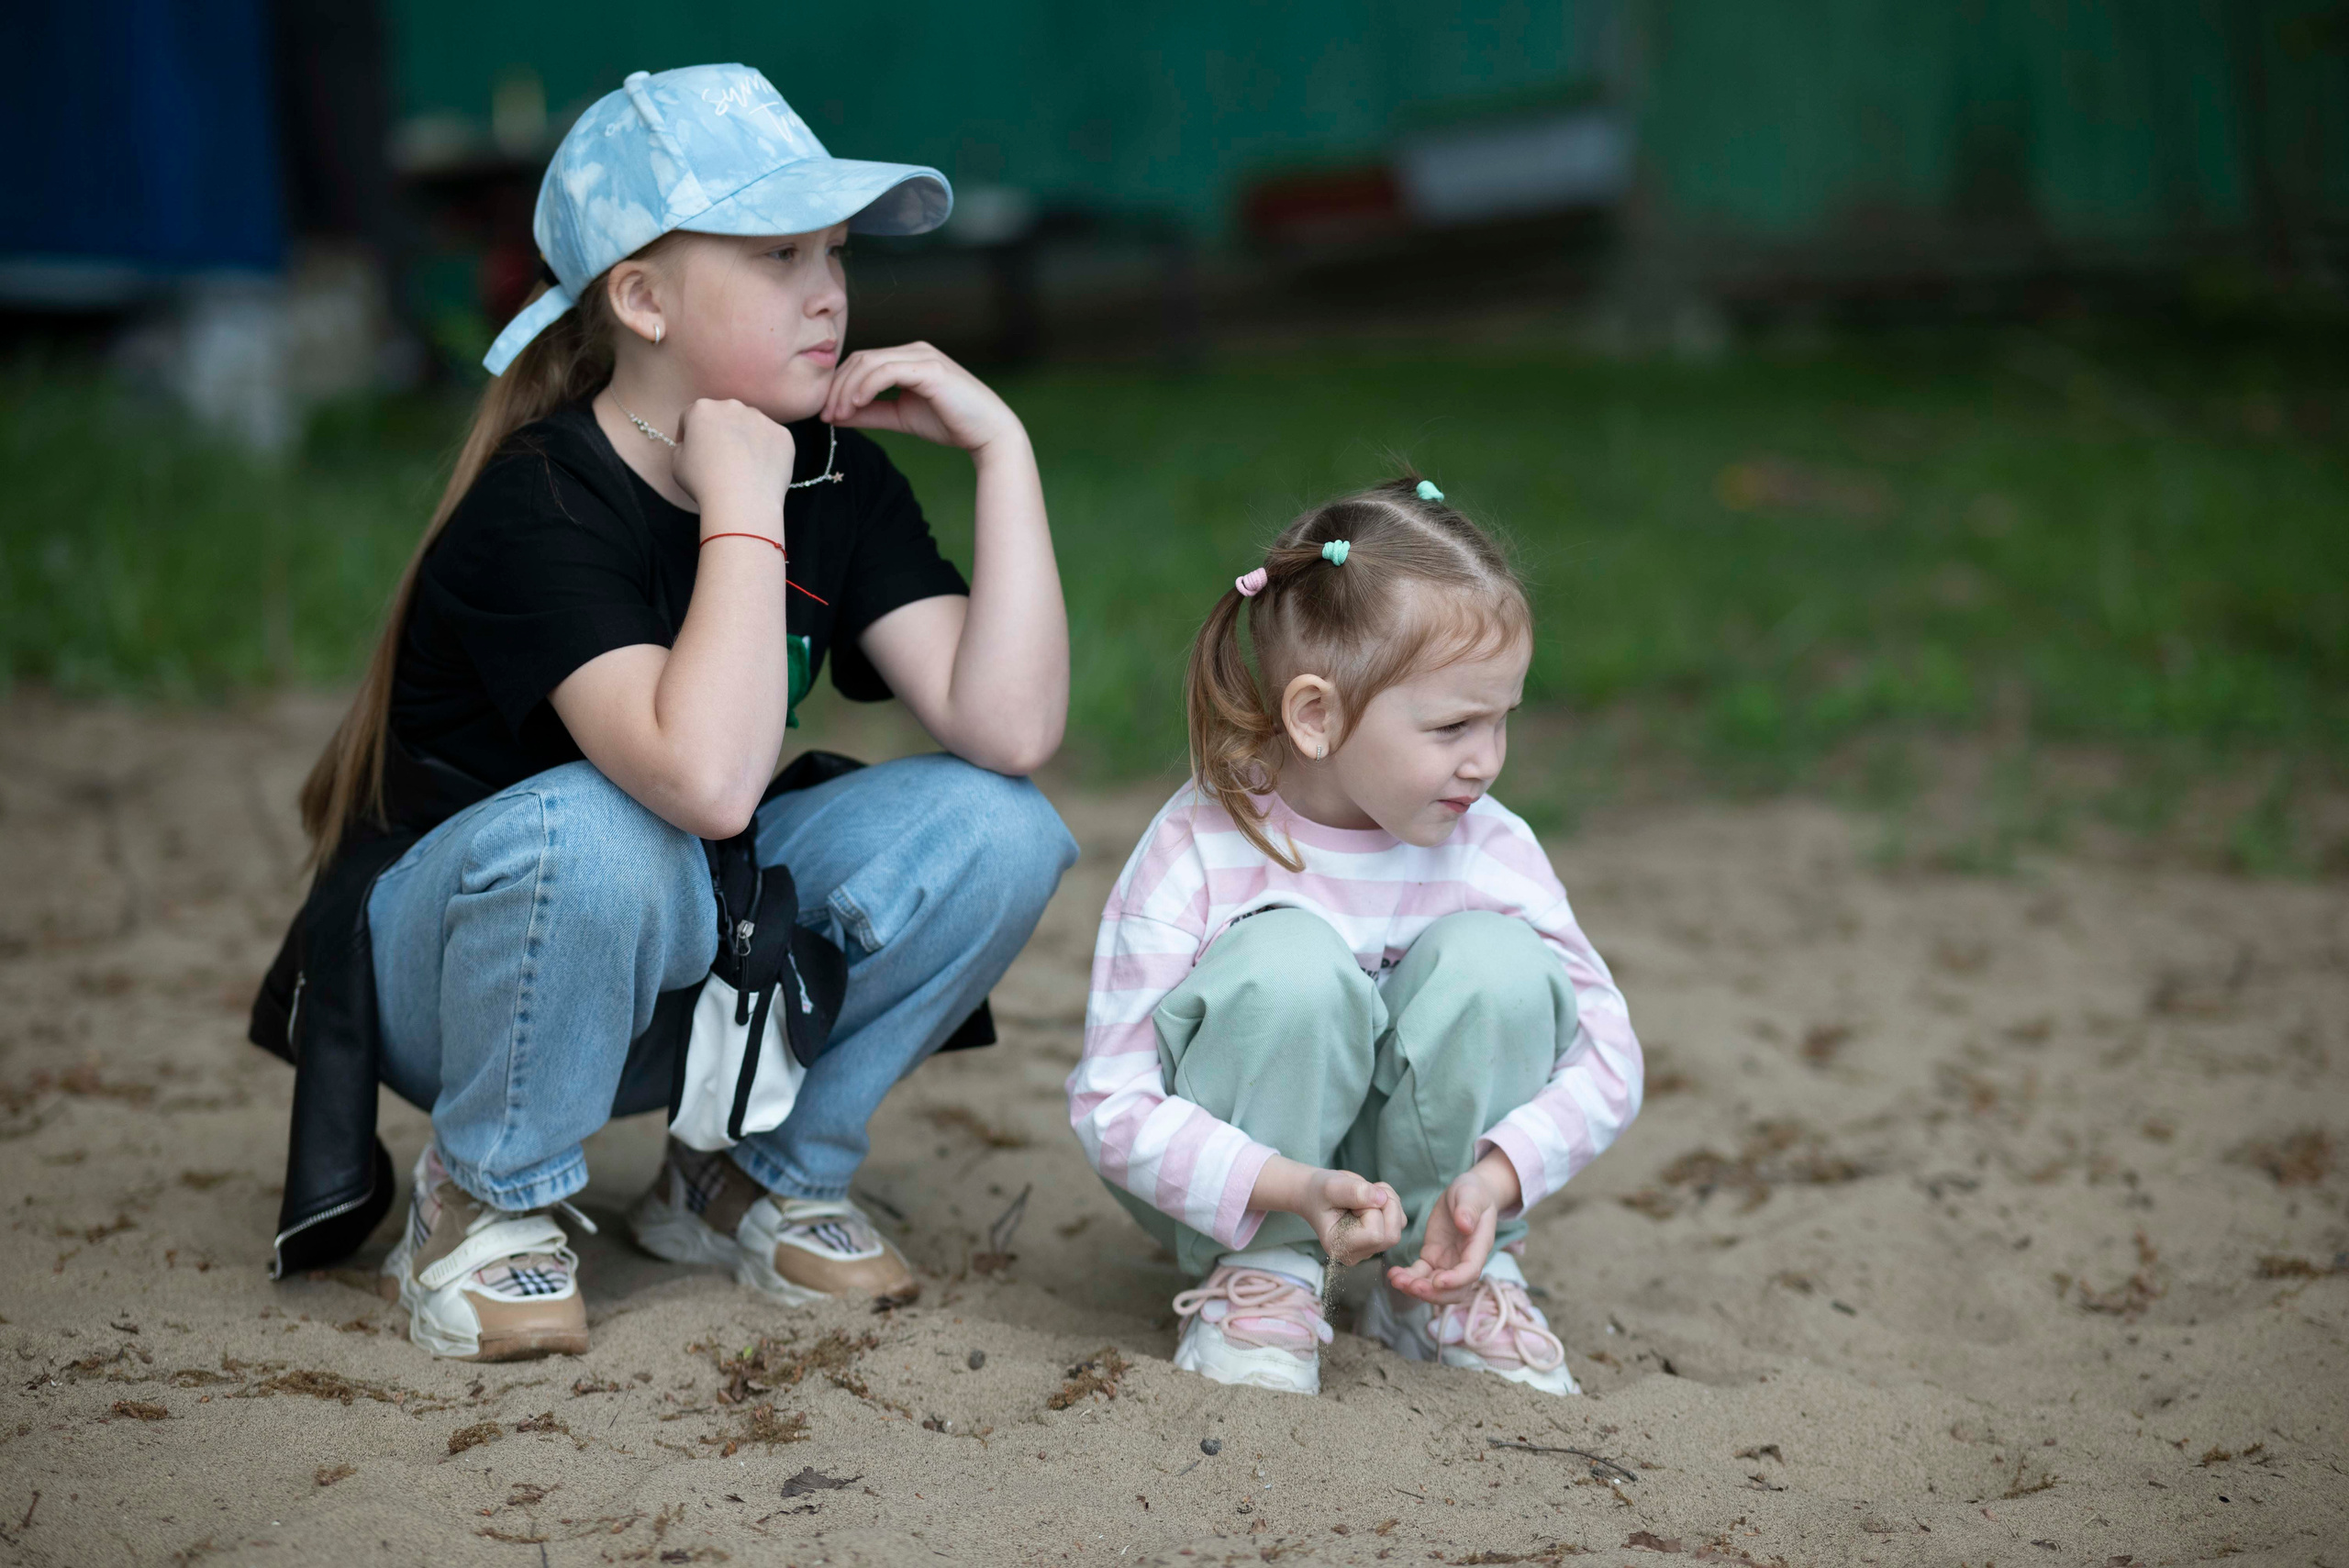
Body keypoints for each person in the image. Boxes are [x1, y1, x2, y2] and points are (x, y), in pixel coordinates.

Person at [273, 64, 1075, 1362]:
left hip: (687, 953)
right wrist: (743, 508)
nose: (829, 290)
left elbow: (1012, 728)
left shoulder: (831, 471)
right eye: (775, 255)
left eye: (836, 252)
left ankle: (741, 1173)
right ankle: (481, 1190)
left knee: (1005, 825)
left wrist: (1005, 454)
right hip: (468, 978)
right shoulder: (539, 502)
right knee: (610, 823)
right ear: (640, 298)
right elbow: (700, 782)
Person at [1066, 477, 1642, 1396]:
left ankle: (1440, 1280)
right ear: (1316, 714)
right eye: (1453, 725)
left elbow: (1609, 1055)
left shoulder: (1492, 845)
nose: (1485, 760)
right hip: (1248, 1178)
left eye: (1502, 719)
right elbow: (1111, 1099)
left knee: (1497, 964)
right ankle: (1263, 1274)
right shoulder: (1200, 849)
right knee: (1288, 964)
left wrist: (1495, 1179)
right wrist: (1285, 1186)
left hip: (1437, 1186)